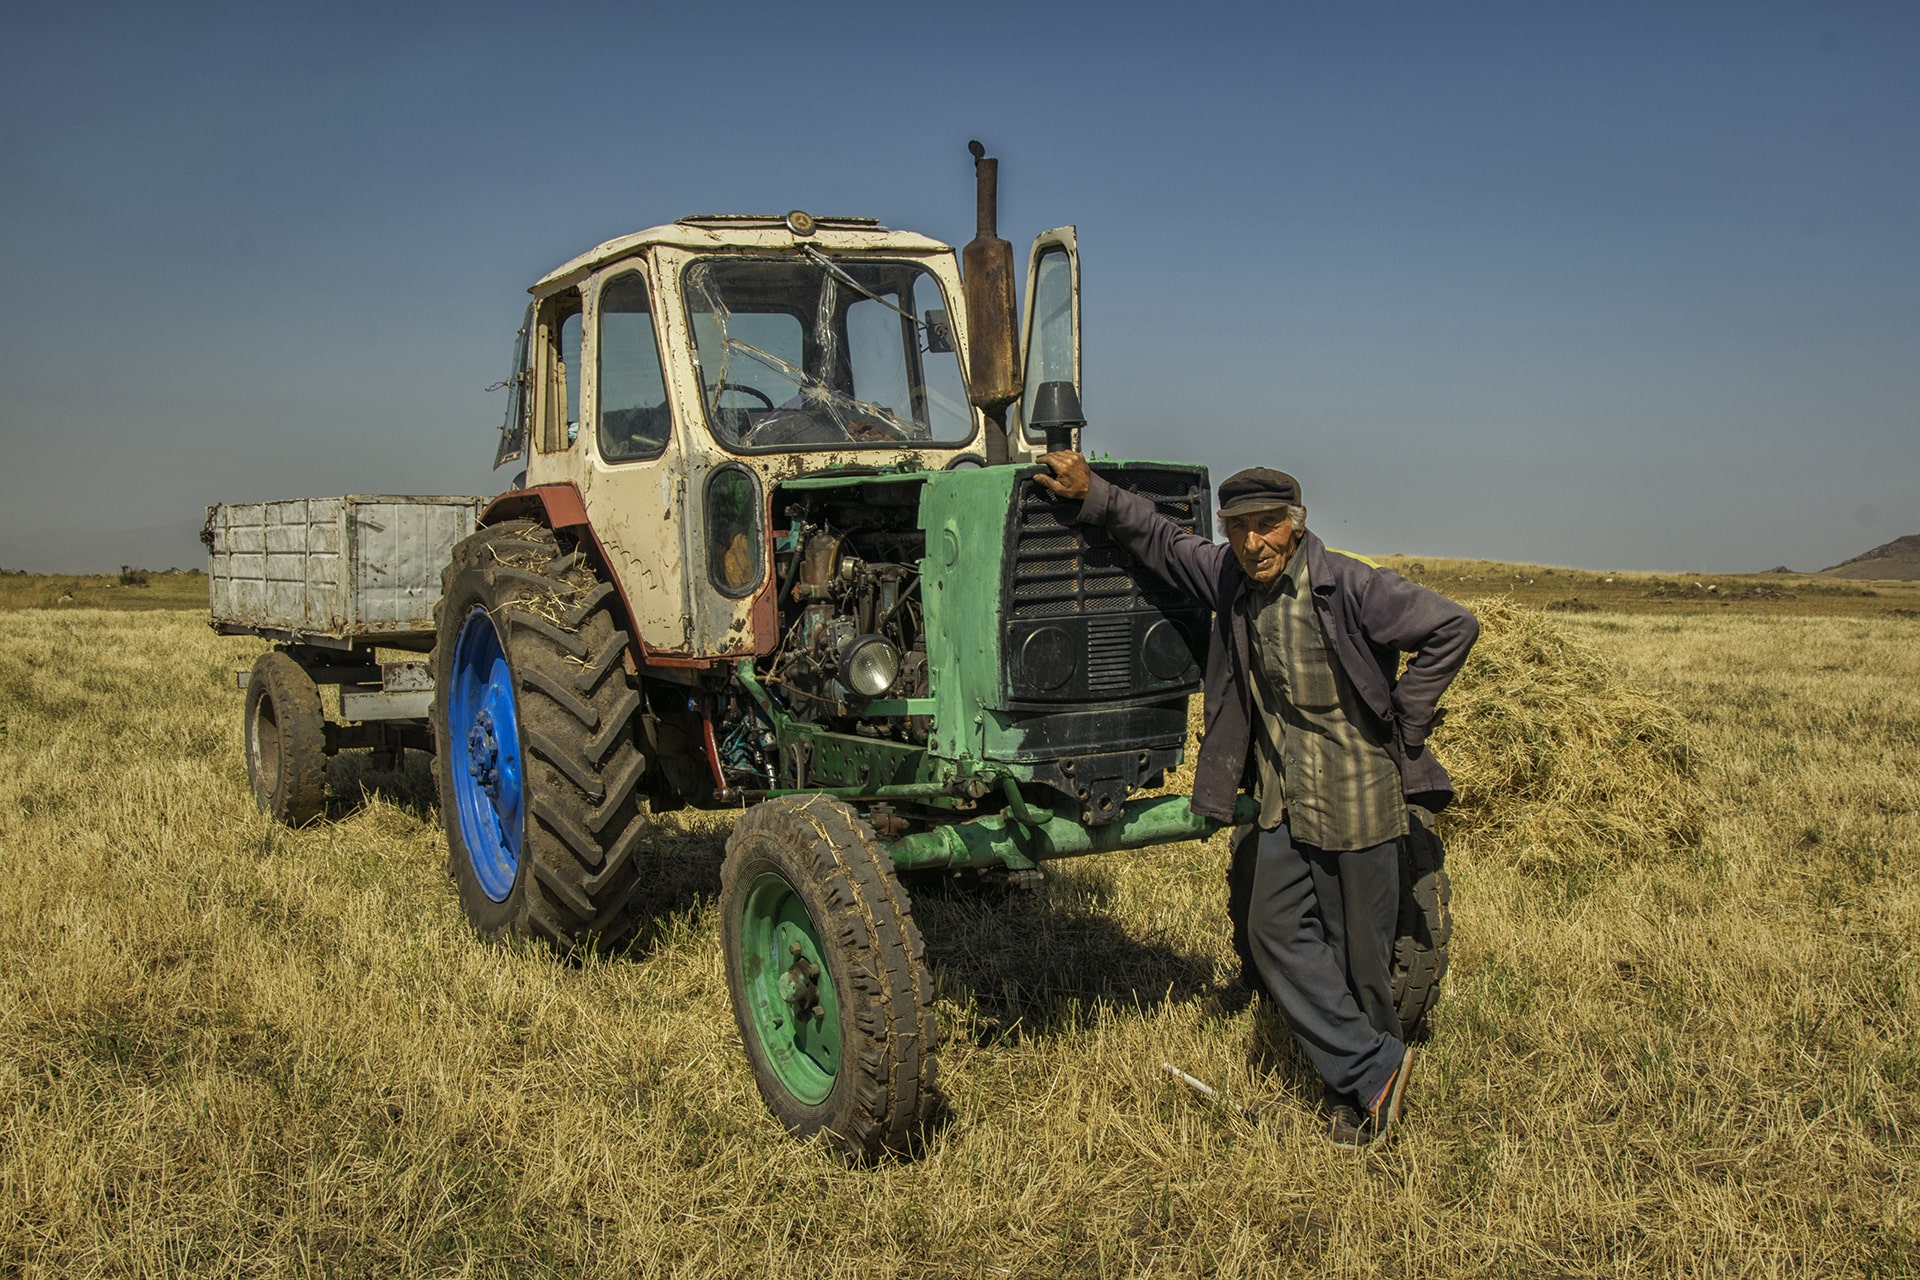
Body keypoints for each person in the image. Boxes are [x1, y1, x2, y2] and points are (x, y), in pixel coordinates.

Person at [1034, 451, 1478, 1146]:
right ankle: (1375, 1067)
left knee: (1360, 958)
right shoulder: (1230, 579)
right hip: (1282, 799)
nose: (1252, 542)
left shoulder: (1349, 585)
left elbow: (1454, 626)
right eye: (1238, 528)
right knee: (1271, 931)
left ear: (1296, 526)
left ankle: (1358, 1101)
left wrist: (1406, 718)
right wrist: (1096, 493)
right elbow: (1163, 540)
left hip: (1358, 795)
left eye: (1266, 526)